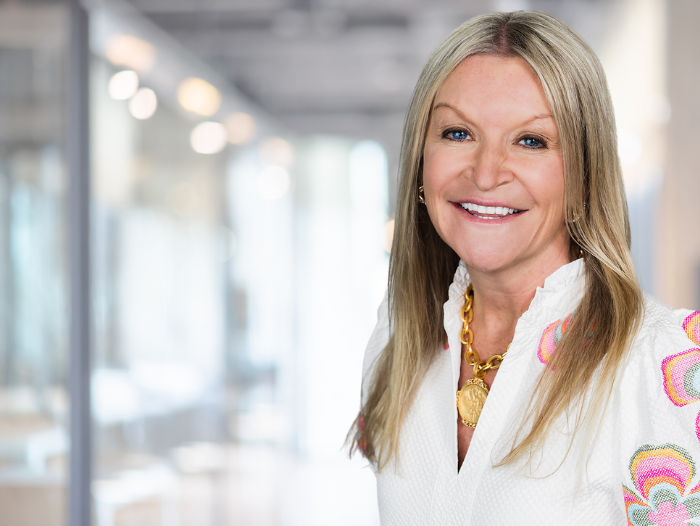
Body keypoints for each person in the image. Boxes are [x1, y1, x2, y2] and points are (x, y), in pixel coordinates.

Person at [348, 10, 700, 526]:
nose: (486, 173)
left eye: (531, 140)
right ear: (421, 161)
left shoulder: (665, 365)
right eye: (457, 133)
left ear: (585, 175)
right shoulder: (400, 336)